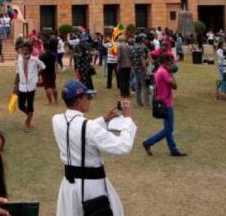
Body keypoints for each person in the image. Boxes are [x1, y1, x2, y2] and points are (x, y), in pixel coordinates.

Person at [52, 80, 136, 216]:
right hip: (92, 187)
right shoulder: (90, 128)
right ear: (78, 100)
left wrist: (104, 119)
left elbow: (77, 128)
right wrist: (128, 120)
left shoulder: (56, 120)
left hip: (69, 186)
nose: (90, 100)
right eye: (87, 97)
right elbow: (123, 146)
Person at [142, 54, 188, 157]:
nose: (171, 65)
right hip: (166, 104)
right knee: (168, 129)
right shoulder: (163, 72)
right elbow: (175, 86)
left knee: (168, 128)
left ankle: (173, 150)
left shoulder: (160, 71)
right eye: (170, 62)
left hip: (163, 102)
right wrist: (171, 73)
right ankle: (148, 142)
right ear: (165, 62)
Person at [15, 42, 45, 131]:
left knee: (30, 104)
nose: (24, 51)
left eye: (26, 50)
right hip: (22, 85)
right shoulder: (19, 59)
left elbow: (43, 67)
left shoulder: (34, 59)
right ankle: (30, 114)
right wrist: (15, 85)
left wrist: (37, 75)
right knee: (21, 105)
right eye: (23, 49)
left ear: (30, 51)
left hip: (31, 85)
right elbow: (17, 73)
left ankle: (27, 124)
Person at [129, 38, 150, 107]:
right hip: (141, 69)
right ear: (141, 41)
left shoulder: (132, 48)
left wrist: (132, 68)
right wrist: (145, 69)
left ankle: (139, 101)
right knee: (145, 86)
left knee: (138, 86)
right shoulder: (141, 48)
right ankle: (146, 102)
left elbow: (131, 59)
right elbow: (142, 59)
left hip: (135, 69)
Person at [39, 39, 58, 105]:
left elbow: (40, 65)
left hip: (45, 72)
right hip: (52, 72)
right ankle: (56, 100)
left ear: (44, 47)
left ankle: (50, 101)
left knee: (47, 87)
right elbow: (55, 63)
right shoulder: (53, 54)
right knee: (53, 86)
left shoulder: (42, 56)